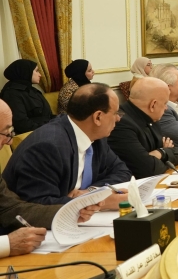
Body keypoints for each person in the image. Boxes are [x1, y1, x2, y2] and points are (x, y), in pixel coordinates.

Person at [0, 99, 102, 255]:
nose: (10, 142)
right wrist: (7, 244)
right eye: (6, 133)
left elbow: (11, 208)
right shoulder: (49, 142)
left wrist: (72, 211)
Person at [2, 84, 131, 206]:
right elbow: (38, 203)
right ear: (98, 117)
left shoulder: (96, 137)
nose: (118, 118)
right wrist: (98, 201)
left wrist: (90, 192)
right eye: (115, 113)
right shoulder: (48, 146)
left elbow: (122, 171)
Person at [108, 77, 178, 179]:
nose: (166, 108)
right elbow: (149, 169)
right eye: (165, 103)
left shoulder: (151, 117)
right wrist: (164, 153)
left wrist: (160, 152)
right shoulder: (121, 124)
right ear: (153, 105)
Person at [0, 59, 53, 133]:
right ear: (25, 72)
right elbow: (21, 123)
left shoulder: (33, 90)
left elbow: (48, 115)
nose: (40, 75)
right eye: (37, 71)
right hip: (35, 133)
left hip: (47, 128)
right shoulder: (12, 94)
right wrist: (49, 128)